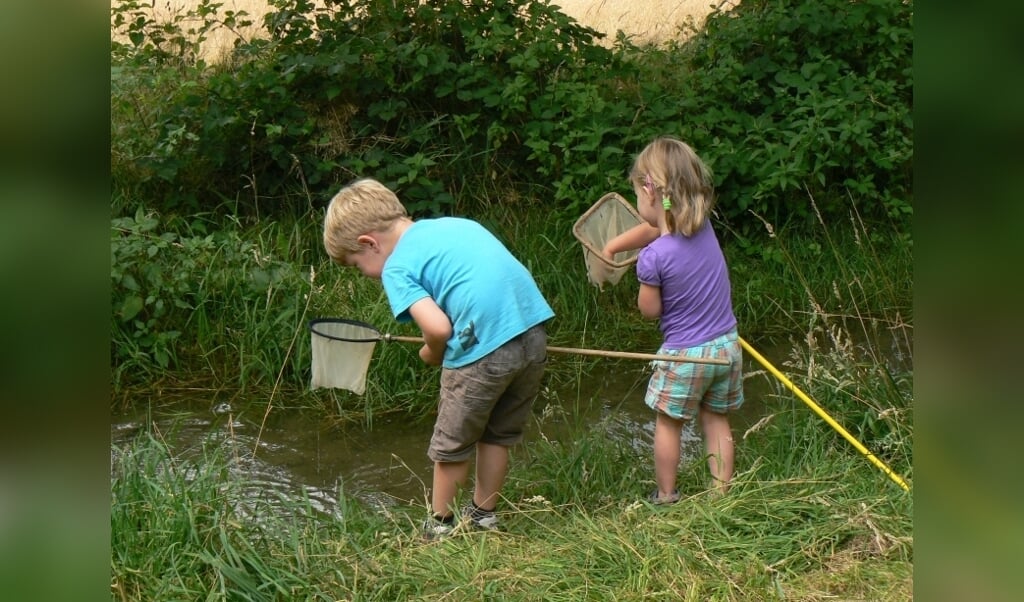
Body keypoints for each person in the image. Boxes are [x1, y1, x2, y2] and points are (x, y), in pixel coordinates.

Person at [323, 178, 554, 539]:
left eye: (356, 265)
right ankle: (482, 517)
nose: (364, 274)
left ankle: (440, 528)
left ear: (369, 243)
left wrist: (430, 352)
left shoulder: (397, 266)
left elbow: (438, 328)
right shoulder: (454, 225)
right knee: (498, 436)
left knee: (450, 447)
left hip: (483, 352)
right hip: (533, 337)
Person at [601, 136, 744, 502]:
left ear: (649, 191)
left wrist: (644, 276)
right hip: (727, 346)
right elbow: (657, 227)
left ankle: (666, 494)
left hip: (684, 355)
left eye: (635, 192)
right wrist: (615, 245)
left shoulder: (653, 257)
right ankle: (721, 494)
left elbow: (650, 311)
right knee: (715, 420)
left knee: (669, 424)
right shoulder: (701, 225)